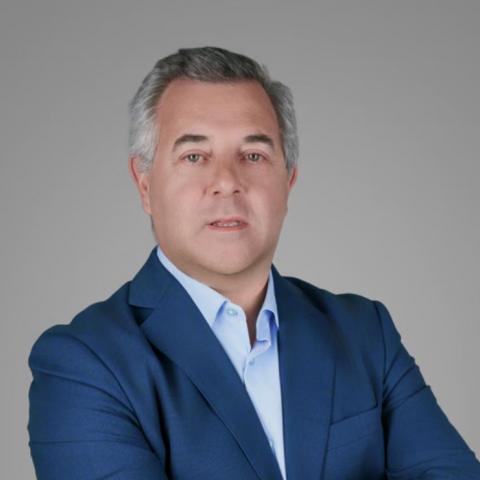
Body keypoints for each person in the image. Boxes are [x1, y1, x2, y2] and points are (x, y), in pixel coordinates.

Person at [27, 46, 480, 480]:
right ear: (144, 184)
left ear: (289, 181)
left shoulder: (365, 333)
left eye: (253, 156)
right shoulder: (84, 366)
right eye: (194, 156)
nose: (227, 181)